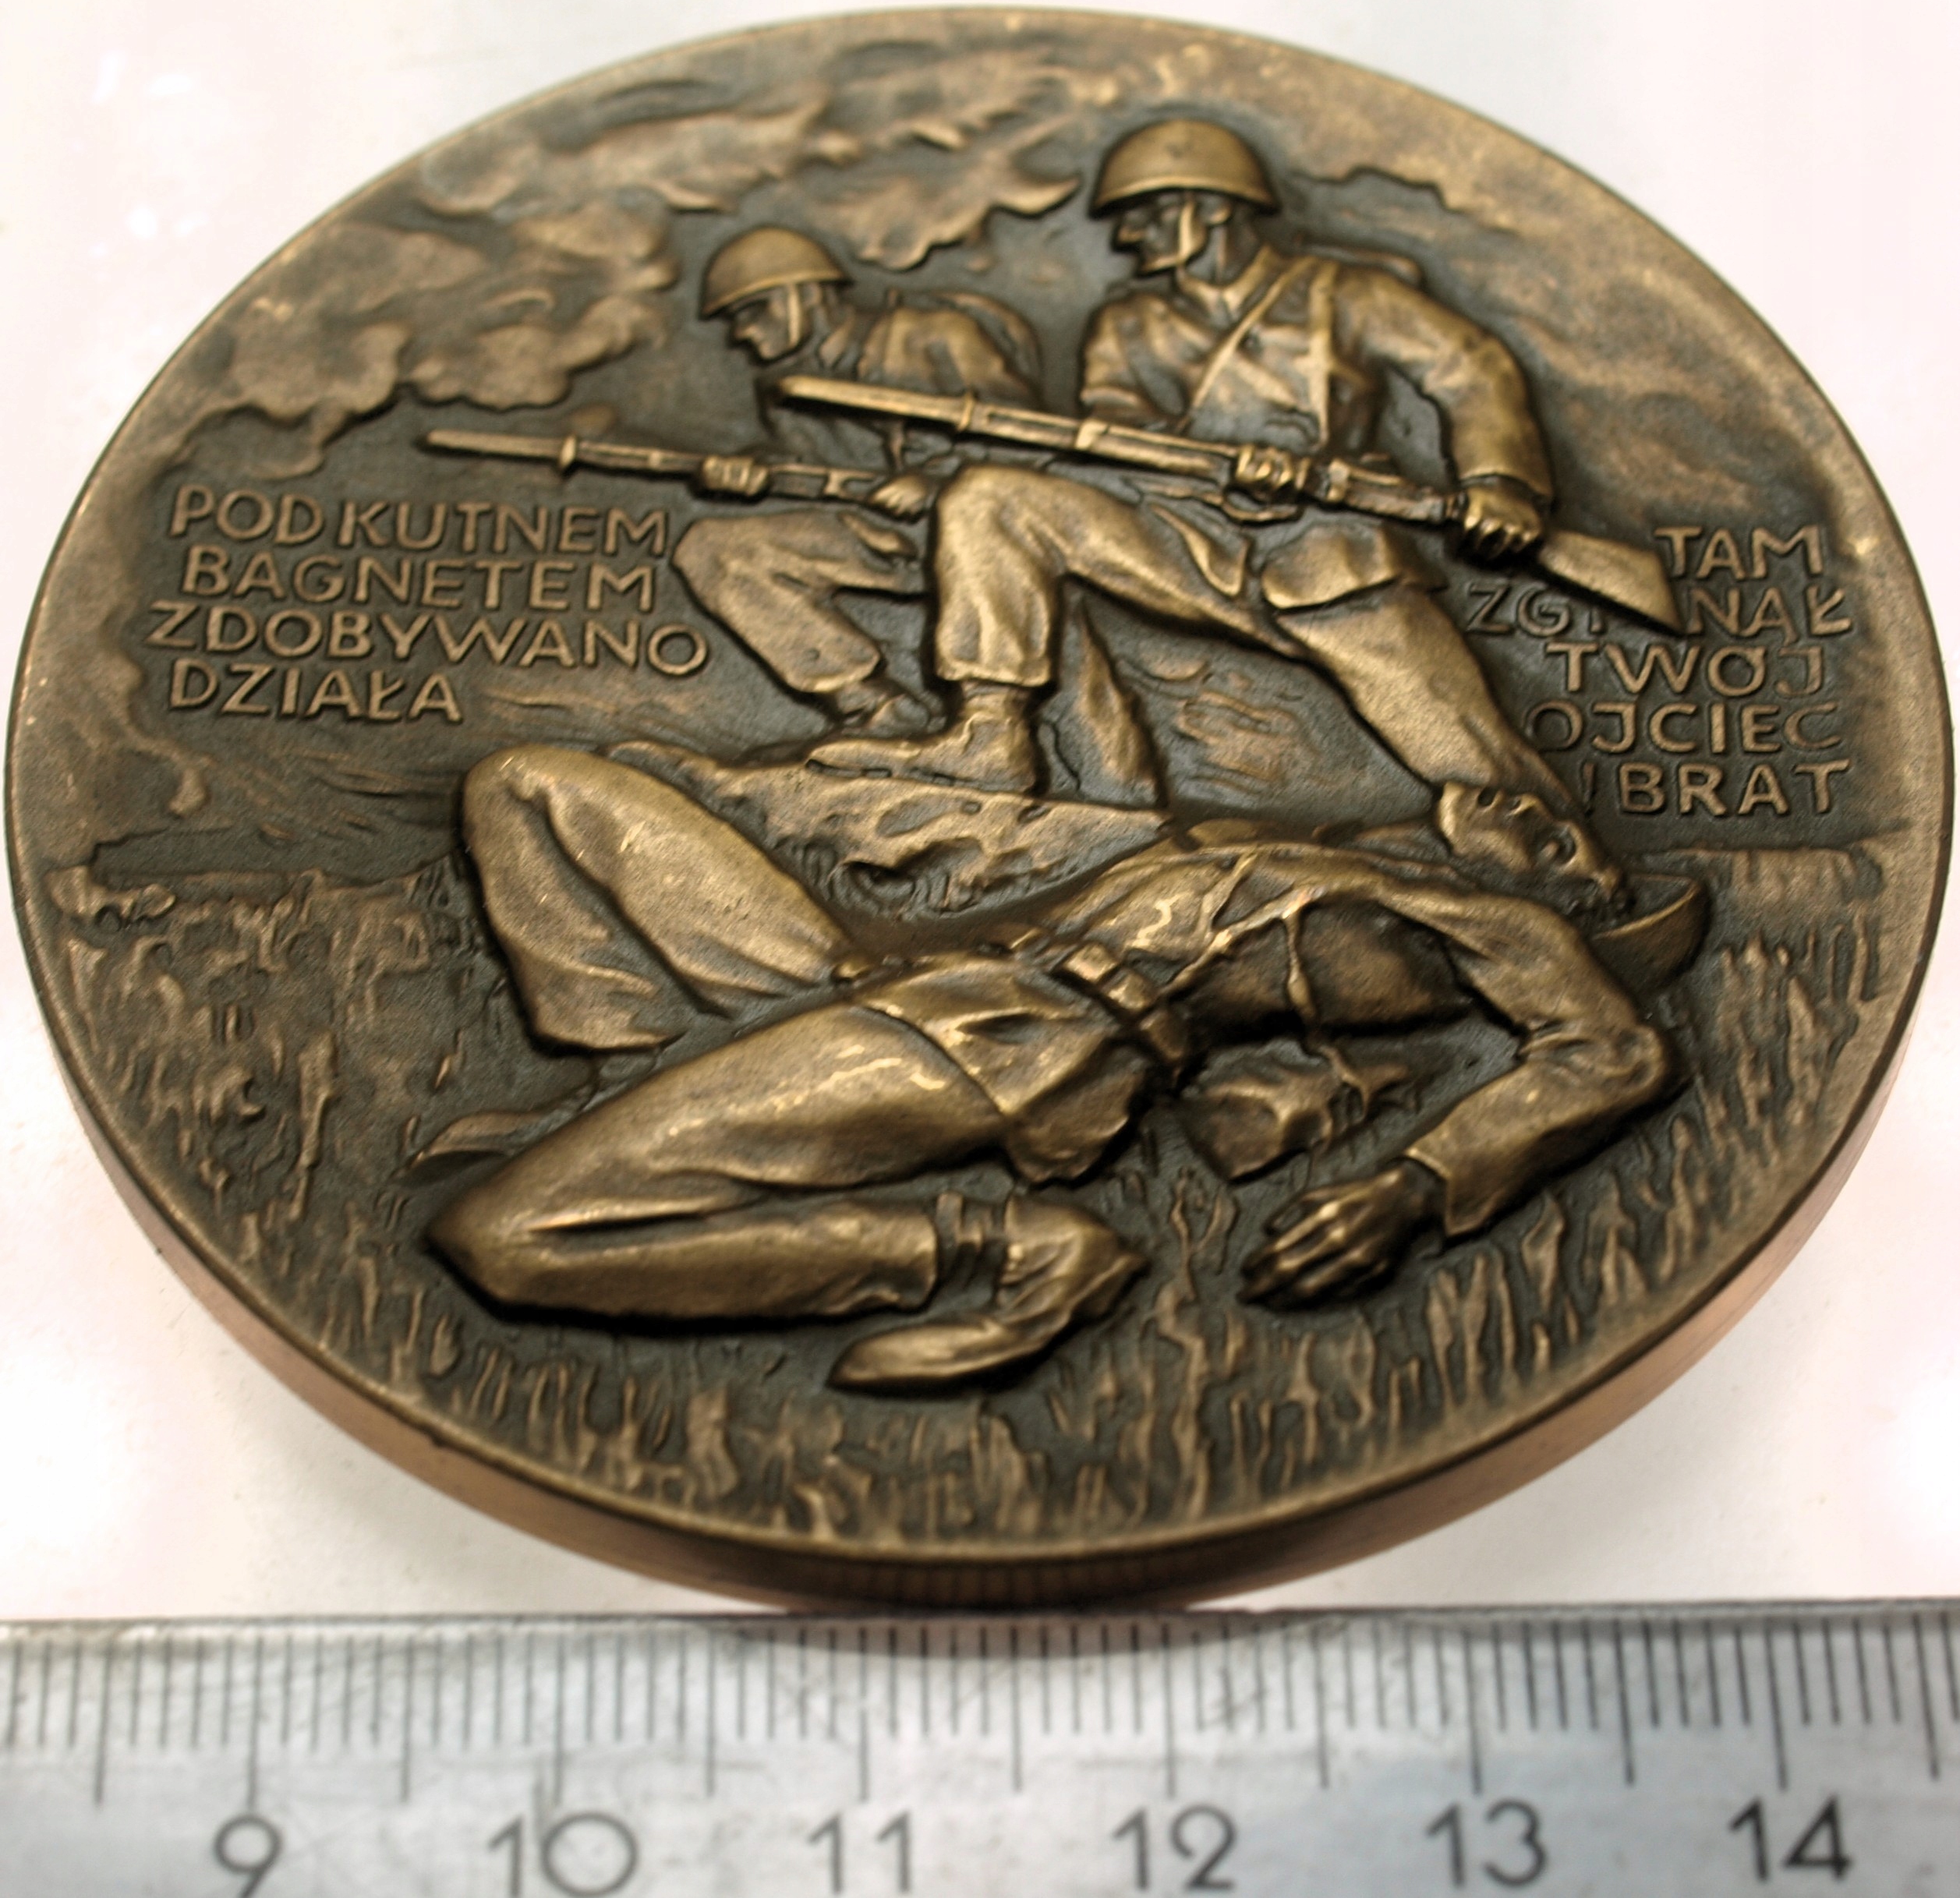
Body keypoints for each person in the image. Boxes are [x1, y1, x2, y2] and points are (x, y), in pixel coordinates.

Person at [430, 743, 1676, 1393]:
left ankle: (1008, 1247)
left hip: (1009, 1044)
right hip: (873, 979)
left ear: (1564, 904)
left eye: (1569, 849)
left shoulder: (1493, 924)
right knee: (528, 784)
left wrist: (1408, 1189)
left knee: (503, 1237)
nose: (1540, 812)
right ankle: (636, 1072)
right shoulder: (1318, 842)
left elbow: (1612, 1052)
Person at [808, 120, 1603, 883]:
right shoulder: (1128, 322)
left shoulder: (1346, 294)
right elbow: (1117, 442)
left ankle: (1580, 875)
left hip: (1326, 555)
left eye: (1147, 215)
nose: (1129, 238)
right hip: (1180, 537)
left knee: (1469, 746)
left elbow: (1471, 367)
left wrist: (1500, 482)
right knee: (990, 499)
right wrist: (1210, 466)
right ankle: (991, 734)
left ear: (1214, 206)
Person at [671, 226, 1038, 733]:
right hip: (882, 535)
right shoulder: (786, 386)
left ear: (804, 295)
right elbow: (811, 470)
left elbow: (1028, 438)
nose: (742, 334)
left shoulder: (939, 335)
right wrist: (753, 472)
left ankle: (988, 725)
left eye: (753, 312)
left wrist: (938, 480)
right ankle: (871, 704)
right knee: (711, 548)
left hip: (985, 536)